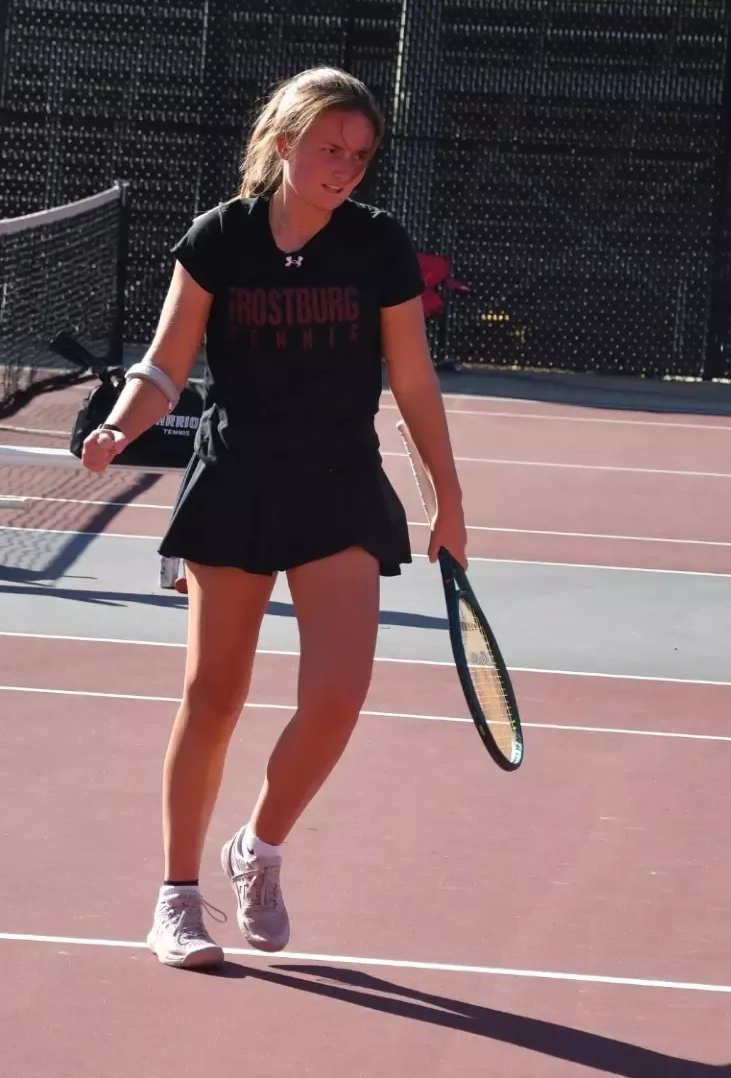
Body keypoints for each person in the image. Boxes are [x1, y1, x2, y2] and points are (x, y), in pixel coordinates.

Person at [79, 66, 470, 969]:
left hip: (337, 485)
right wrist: (118, 423)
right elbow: (165, 366)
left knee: (336, 701)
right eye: (331, 148)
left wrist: (448, 499)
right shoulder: (220, 238)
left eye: (361, 156)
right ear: (286, 140)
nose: (345, 167)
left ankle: (258, 850)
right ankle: (177, 899)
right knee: (213, 699)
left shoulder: (379, 247)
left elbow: (411, 382)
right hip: (236, 483)